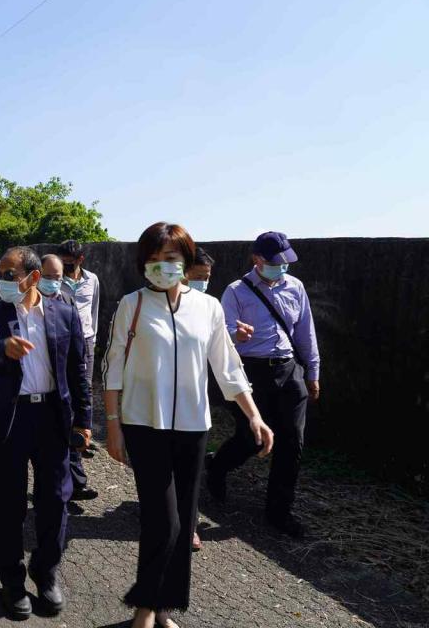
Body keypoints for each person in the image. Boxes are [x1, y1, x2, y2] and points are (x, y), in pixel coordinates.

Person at [101, 222, 273, 628]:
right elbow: (112, 368)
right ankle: (144, 608)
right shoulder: (133, 304)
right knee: (165, 520)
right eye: (154, 260)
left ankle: (163, 608)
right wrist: (112, 425)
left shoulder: (208, 308)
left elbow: (227, 368)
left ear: (187, 262)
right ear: (143, 264)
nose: (163, 266)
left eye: (172, 259)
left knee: (184, 517)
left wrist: (254, 415)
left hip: (193, 428)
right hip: (145, 425)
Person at [0, 246, 92, 620]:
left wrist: (84, 420)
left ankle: (46, 570)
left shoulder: (63, 312)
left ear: (33, 277)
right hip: (11, 418)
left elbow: (78, 369)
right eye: (0, 274)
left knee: (55, 499)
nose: (2, 281)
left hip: (53, 416)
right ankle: (11, 580)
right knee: (8, 503)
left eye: (10, 274)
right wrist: (1, 349)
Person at [206, 231, 320, 539]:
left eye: (285, 261)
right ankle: (216, 468)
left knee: (292, 441)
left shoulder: (295, 287)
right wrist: (235, 333)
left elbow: (305, 332)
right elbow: (221, 329)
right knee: (252, 439)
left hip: (289, 369)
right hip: (253, 373)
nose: (282, 266)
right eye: (275, 262)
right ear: (257, 260)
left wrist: (312, 371)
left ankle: (278, 512)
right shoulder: (236, 291)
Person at [56, 240, 101, 502]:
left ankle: (83, 434)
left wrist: (91, 339)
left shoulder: (92, 280)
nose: (65, 263)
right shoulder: (54, 279)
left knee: (84, 392)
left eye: (70, 259)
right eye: (62, 258)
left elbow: (93, 309)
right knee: (66, 400)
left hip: (85, 341)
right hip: (61, 342)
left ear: (80, 259)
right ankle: (72, 478)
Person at [181, 245, 216, 551]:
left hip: (194, 401)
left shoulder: (209, 305)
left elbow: (221, 346)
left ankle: (189, 526)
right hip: (159, 403)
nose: (203, 282)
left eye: (207, 277)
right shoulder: (150, 303)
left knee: (190, 473)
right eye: (199, 276)